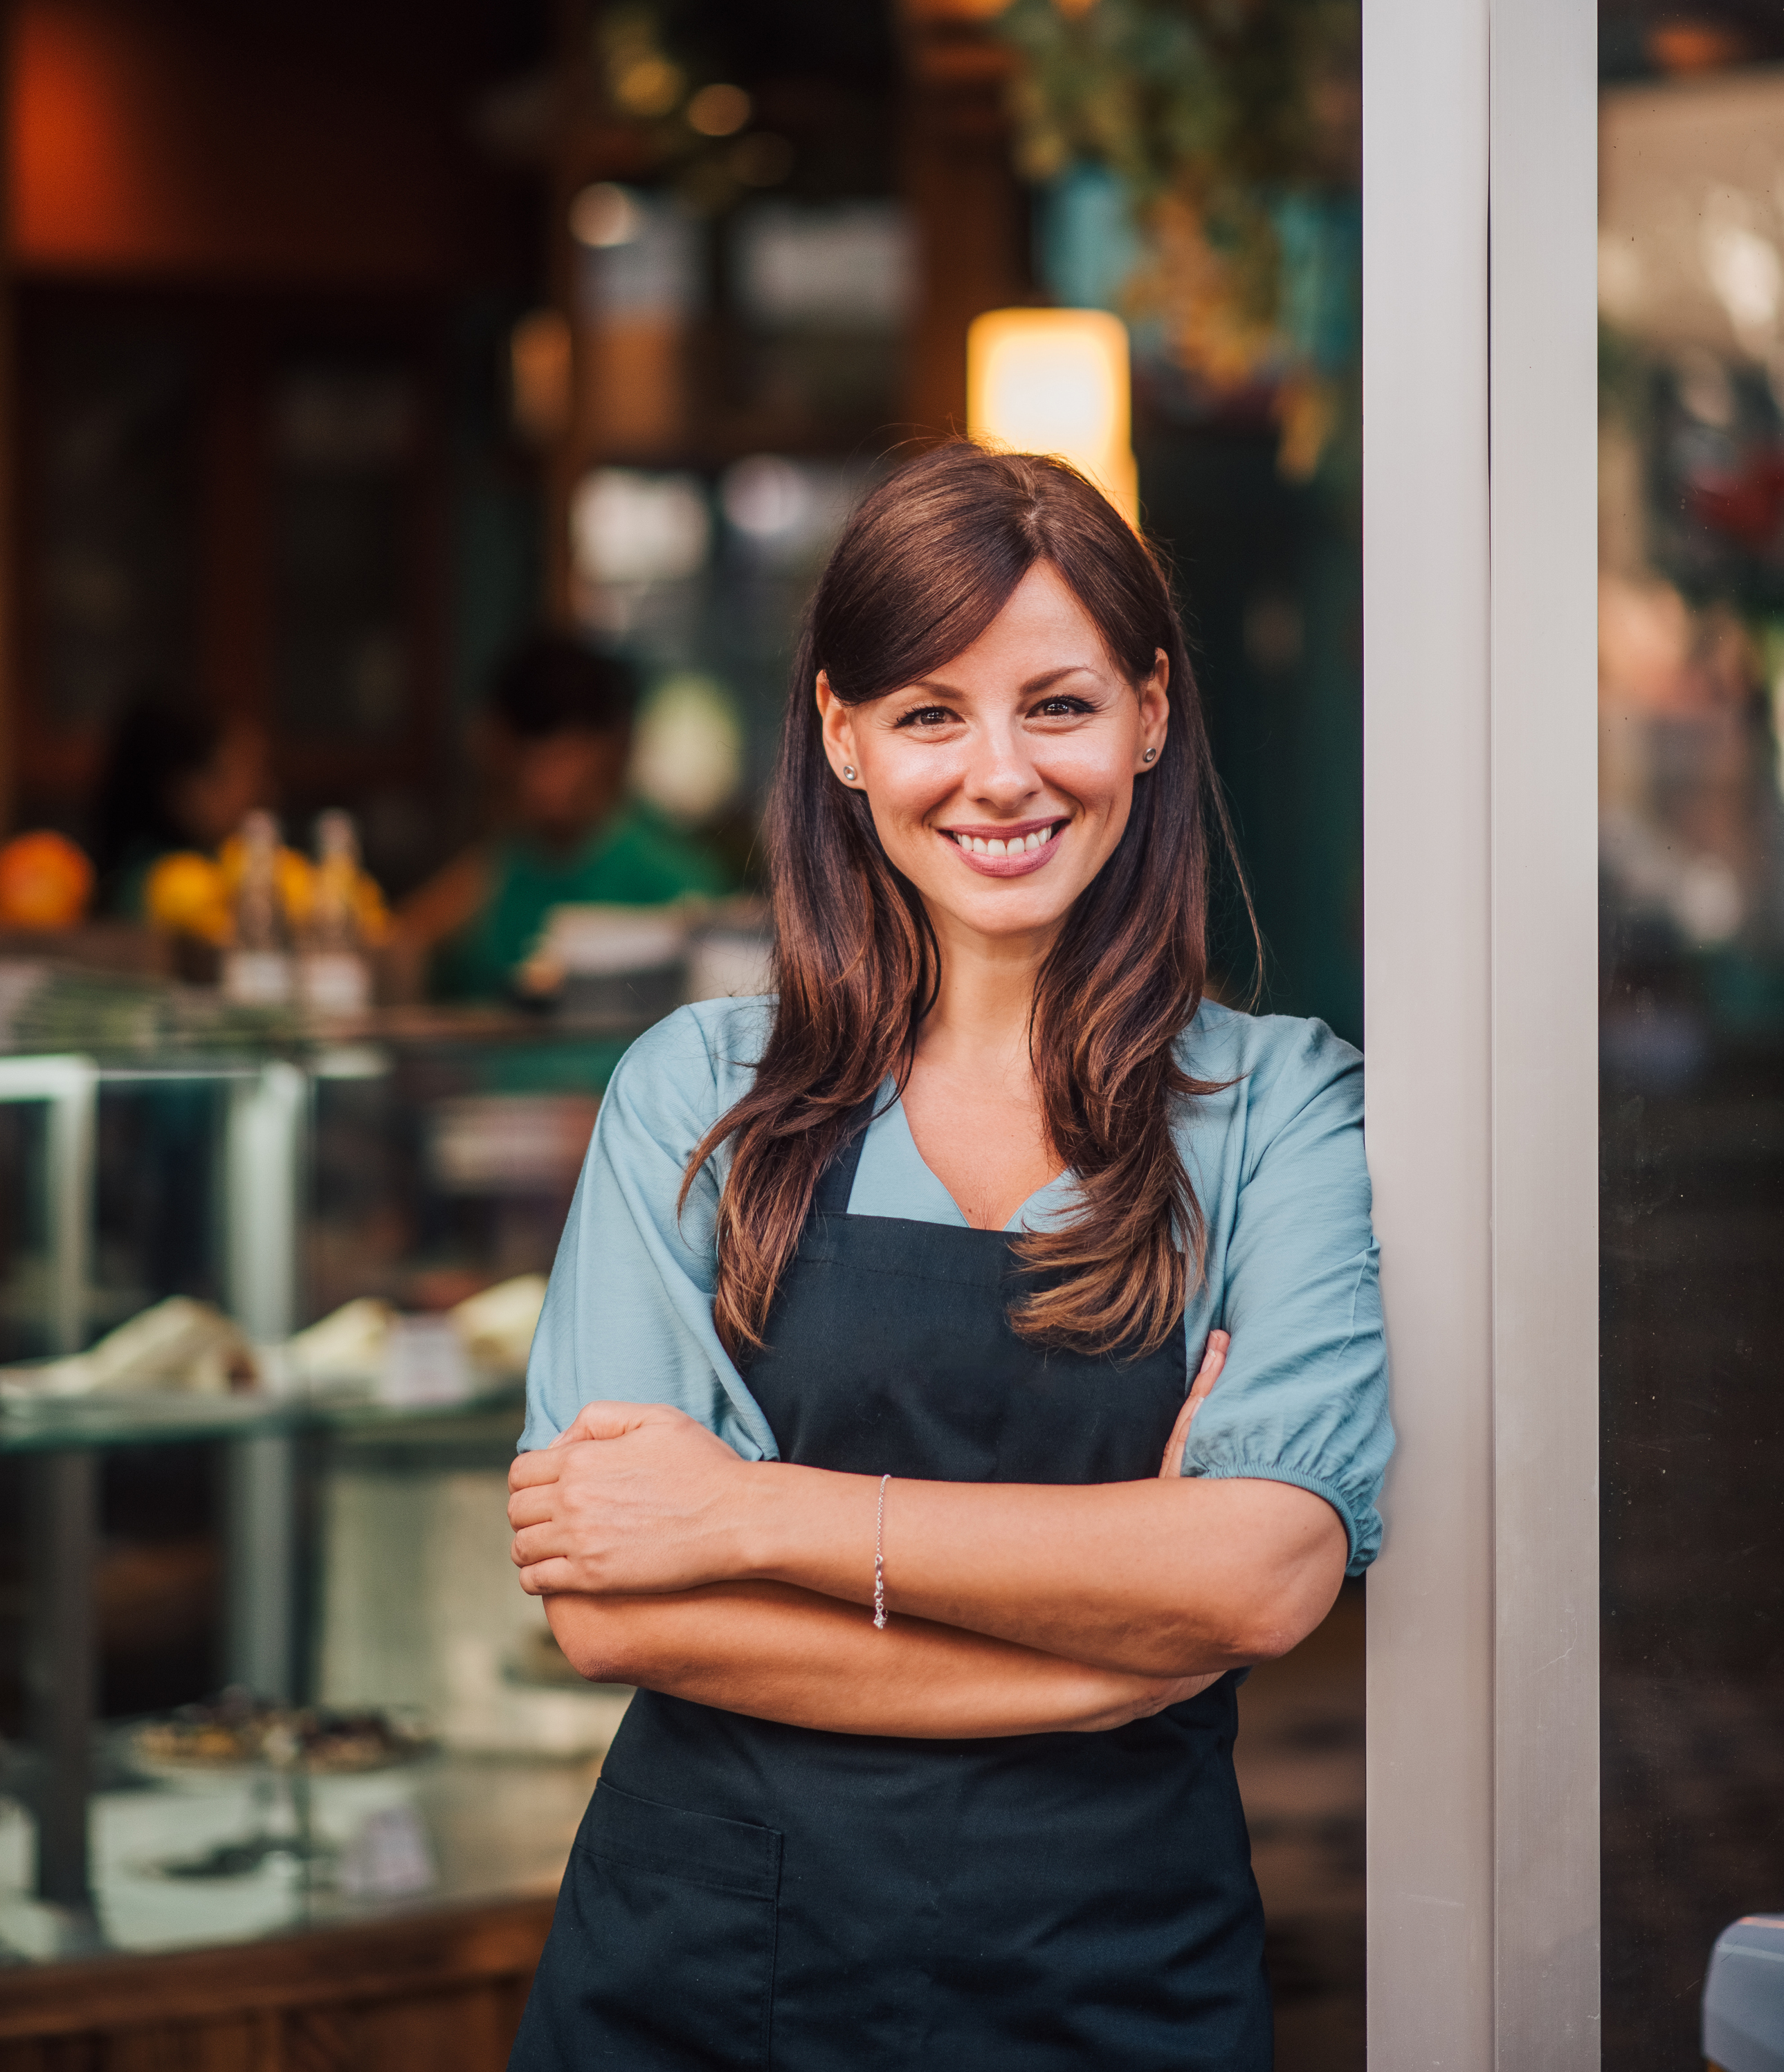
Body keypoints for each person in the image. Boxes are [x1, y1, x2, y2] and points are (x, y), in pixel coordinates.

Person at [504, 446, 1392, 2069]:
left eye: (1055, 703)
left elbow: (1264, 1568)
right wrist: (1113, 1655)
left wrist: (745, 1512)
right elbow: (619, 1616)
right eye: (929, 711)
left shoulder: (1280, 1106)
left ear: (1148, 710)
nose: (1000, 773)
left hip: (1114, 1975)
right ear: (843, 734)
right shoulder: (695, 1090)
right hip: (707, 1971)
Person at [396, 630, 723, 1001]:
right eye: (531, 754)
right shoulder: (496, 868)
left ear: (614, 746)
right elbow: (398, 940)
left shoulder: (674, 880)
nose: (546, 778)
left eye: (564, 754)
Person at [93, 697, 269, 917]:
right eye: (246, 771)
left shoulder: (234, 862)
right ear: (187, 790)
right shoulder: (146, 885)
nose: (262, 790)